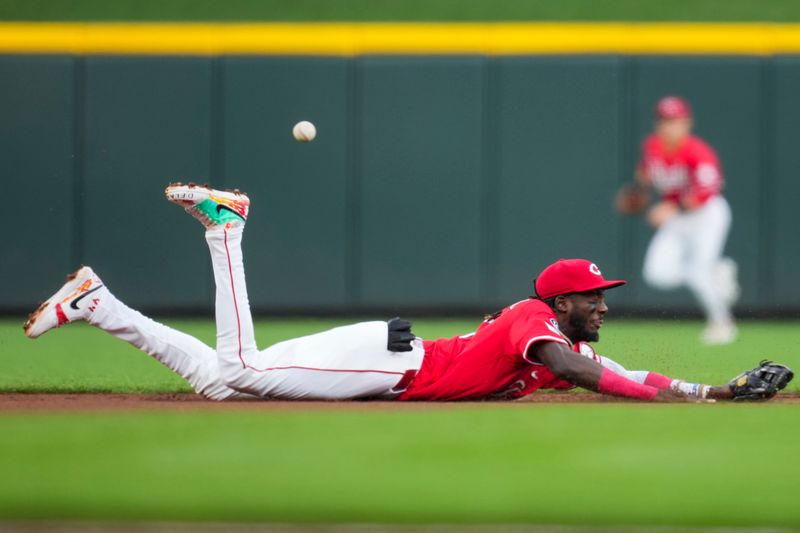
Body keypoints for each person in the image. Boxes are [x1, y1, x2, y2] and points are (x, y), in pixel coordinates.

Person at [23, 184, 775, 403]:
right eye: (594, 297)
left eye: (602, 296)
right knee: (242, 365)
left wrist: (707, 387)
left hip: (386, 358)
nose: (603, 305)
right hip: (389, 363)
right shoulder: (532, 319)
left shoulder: (554, 336)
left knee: (219, 383)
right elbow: (587, 373)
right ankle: (226, 230)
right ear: (561, 302)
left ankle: (99, 304)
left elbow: (619, 370)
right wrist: (697, 400)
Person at [617, 96, 739, 345]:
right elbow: (645, 173)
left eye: (674, 120)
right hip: (678, 218)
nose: (668, 126)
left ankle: (722, 323)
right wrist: (638, 191)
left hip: (707, 216)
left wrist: (669, 207)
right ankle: (716, 273)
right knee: (657, 274)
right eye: (663, 120)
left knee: (698, 269)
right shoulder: (652, 146)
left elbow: (705, 193)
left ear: (687, 122)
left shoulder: (698, 152)